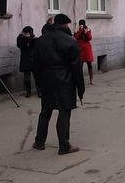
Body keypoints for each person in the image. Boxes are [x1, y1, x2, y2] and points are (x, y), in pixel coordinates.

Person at [32, 14, 85, 155]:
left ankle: (39, 142)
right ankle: (64, 145)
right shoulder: (70, 41)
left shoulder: (41, 40)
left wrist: (39, 83)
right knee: (64, 111)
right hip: (65, 79)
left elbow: (35, 65)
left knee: (45, 110)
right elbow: (76, 68)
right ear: (65, 25)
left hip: (47, 78)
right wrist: (80, 88)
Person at [17, 26, 38, 97]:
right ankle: (28, 91)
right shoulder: (20, 38)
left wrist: (32, 38)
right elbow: (20, 45)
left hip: (34, 59)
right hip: (26, 60)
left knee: (37, 76)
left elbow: (36, 46)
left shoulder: (33, 39)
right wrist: (25, 38)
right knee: (27, 77)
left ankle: (39, 91)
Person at [74, 19, 94, 85]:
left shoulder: (87, 29)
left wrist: (85, 31)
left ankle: (91, 79)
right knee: (80, 65)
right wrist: (80, 30)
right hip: (80, 49)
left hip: (87, 49)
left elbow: (90, 38)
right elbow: (75, 37)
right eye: (80, 24)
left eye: (82, 24)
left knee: (89, 65)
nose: (81, 26)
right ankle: (80, 79)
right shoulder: (77, 30)